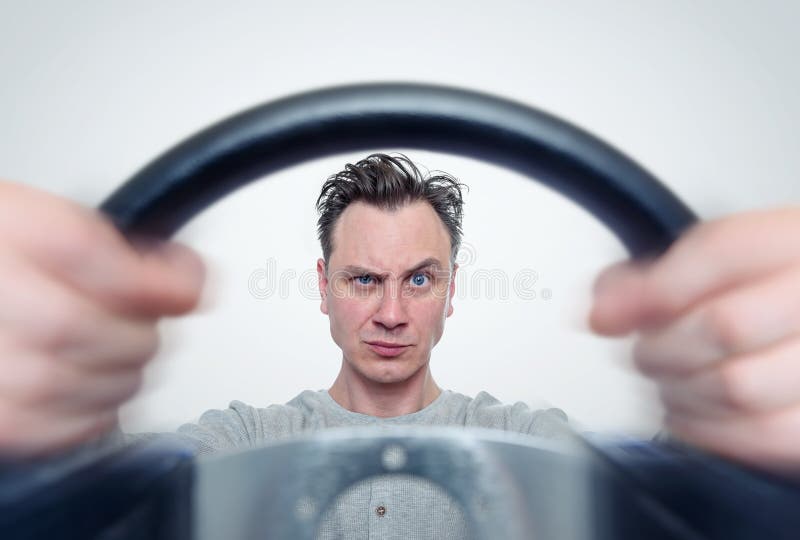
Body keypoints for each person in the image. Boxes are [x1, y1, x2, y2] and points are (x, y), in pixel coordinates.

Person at [0, 153, 798, 534]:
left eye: (419, 279)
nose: (390, 312)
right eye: (361, 280)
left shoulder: (529, 444)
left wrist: (744, 406)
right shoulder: (239, 443)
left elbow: (673, 497)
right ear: (322, 286)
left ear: (452, 290)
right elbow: (98, 493)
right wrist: (41, 399)